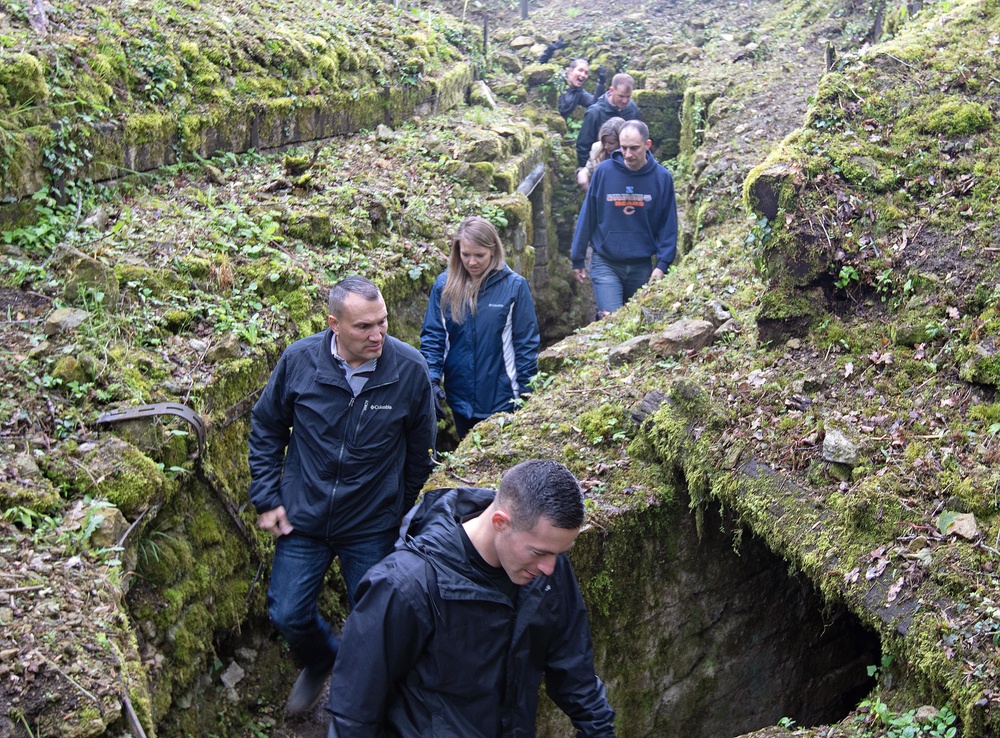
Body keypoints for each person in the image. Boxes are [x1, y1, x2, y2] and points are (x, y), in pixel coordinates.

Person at [248, 275, 436, 715]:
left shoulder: (409, 370)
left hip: (372, 525)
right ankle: (320, 659)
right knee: (288, 614)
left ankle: (366, 701)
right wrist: (267, 497)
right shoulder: (298, 361)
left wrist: (401, 514)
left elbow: (421, 455)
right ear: (334, 324)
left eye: (383, 322)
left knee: (375, 623)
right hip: (304, 517)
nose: (378, 335)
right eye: (363, 326)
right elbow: (267, 427)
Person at [326, 459, 617, 737]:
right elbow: (355, 710)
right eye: (540, 552)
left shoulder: (545, 570)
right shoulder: (404, 585)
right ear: (501, 522)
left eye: (558, 553)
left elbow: (573, 669)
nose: (550, 567)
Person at [420, 216, 540, 440]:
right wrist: (432, 379)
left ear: (493, 250)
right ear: (458, 251)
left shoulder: (514, 287)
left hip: (503, 399)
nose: (472, 262)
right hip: (460, 400)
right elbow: (434, 337)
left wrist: (527, 393)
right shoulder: (444, 286)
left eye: (479, 255)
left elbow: (526, 344)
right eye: (466, 255)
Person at [570, 120, 678, 318]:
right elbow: (588, 215)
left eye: (634, 148)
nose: (628, 154)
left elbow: (668, 225)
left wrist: (662, 265)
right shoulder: (604, 172)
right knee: (612, 318)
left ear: (648, 145)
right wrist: (577, 257)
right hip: (606, 261)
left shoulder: (662, 178)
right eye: (624, 148)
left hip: (641, 264)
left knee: (635, 321)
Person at [575, 73, 640, 167]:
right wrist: (588, 172)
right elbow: (583, 147)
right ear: (611, 90)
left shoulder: (632, 109)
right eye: (621, 96)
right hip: (600, 164)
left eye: (628, 97)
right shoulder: (595, 112)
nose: (625, 101)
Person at [577, 116, 625, 190]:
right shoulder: (597, 148)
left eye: (611, 143)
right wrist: (583, 172)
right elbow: (590, 167)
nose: (606, 146)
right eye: (604, 142)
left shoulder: (630, 155)